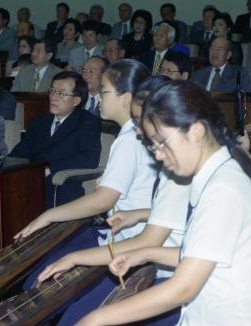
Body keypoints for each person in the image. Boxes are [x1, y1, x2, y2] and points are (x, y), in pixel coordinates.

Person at [80, 80, 251, 326]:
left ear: (196, 131)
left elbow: (182, 288)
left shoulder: (224, 189)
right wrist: (146, 253)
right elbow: (205, 254)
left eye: (161, 143)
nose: (159, 155)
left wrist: (95, 319)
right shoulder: (215, 176)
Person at [37, 75, 186, 326]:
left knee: (83, 317)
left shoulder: (186, 170)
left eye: (141, 122)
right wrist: (140, 213)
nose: (137, 130)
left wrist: (76, 258)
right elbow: (180, 215)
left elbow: (174, 253)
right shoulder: (177, 164)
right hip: (156, 262)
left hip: (179, 282)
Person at [16, 60, 155, 295]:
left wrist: (49, 215)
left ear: (126, 98)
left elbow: (103, 201)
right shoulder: (134, 133)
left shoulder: (131, 139)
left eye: (104, 91)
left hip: (130, 240)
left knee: (40, 283)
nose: (98, 97)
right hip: (118, 233)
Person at [10, 71, 101, 208]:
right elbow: (20, 152)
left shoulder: (86, 122)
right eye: (52, 91)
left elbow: (89, 158)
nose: (53, 97)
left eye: (62, 93)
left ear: (76, 100)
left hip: (61, 185)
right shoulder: (38, 121)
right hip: (30, 181)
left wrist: (50, 168)